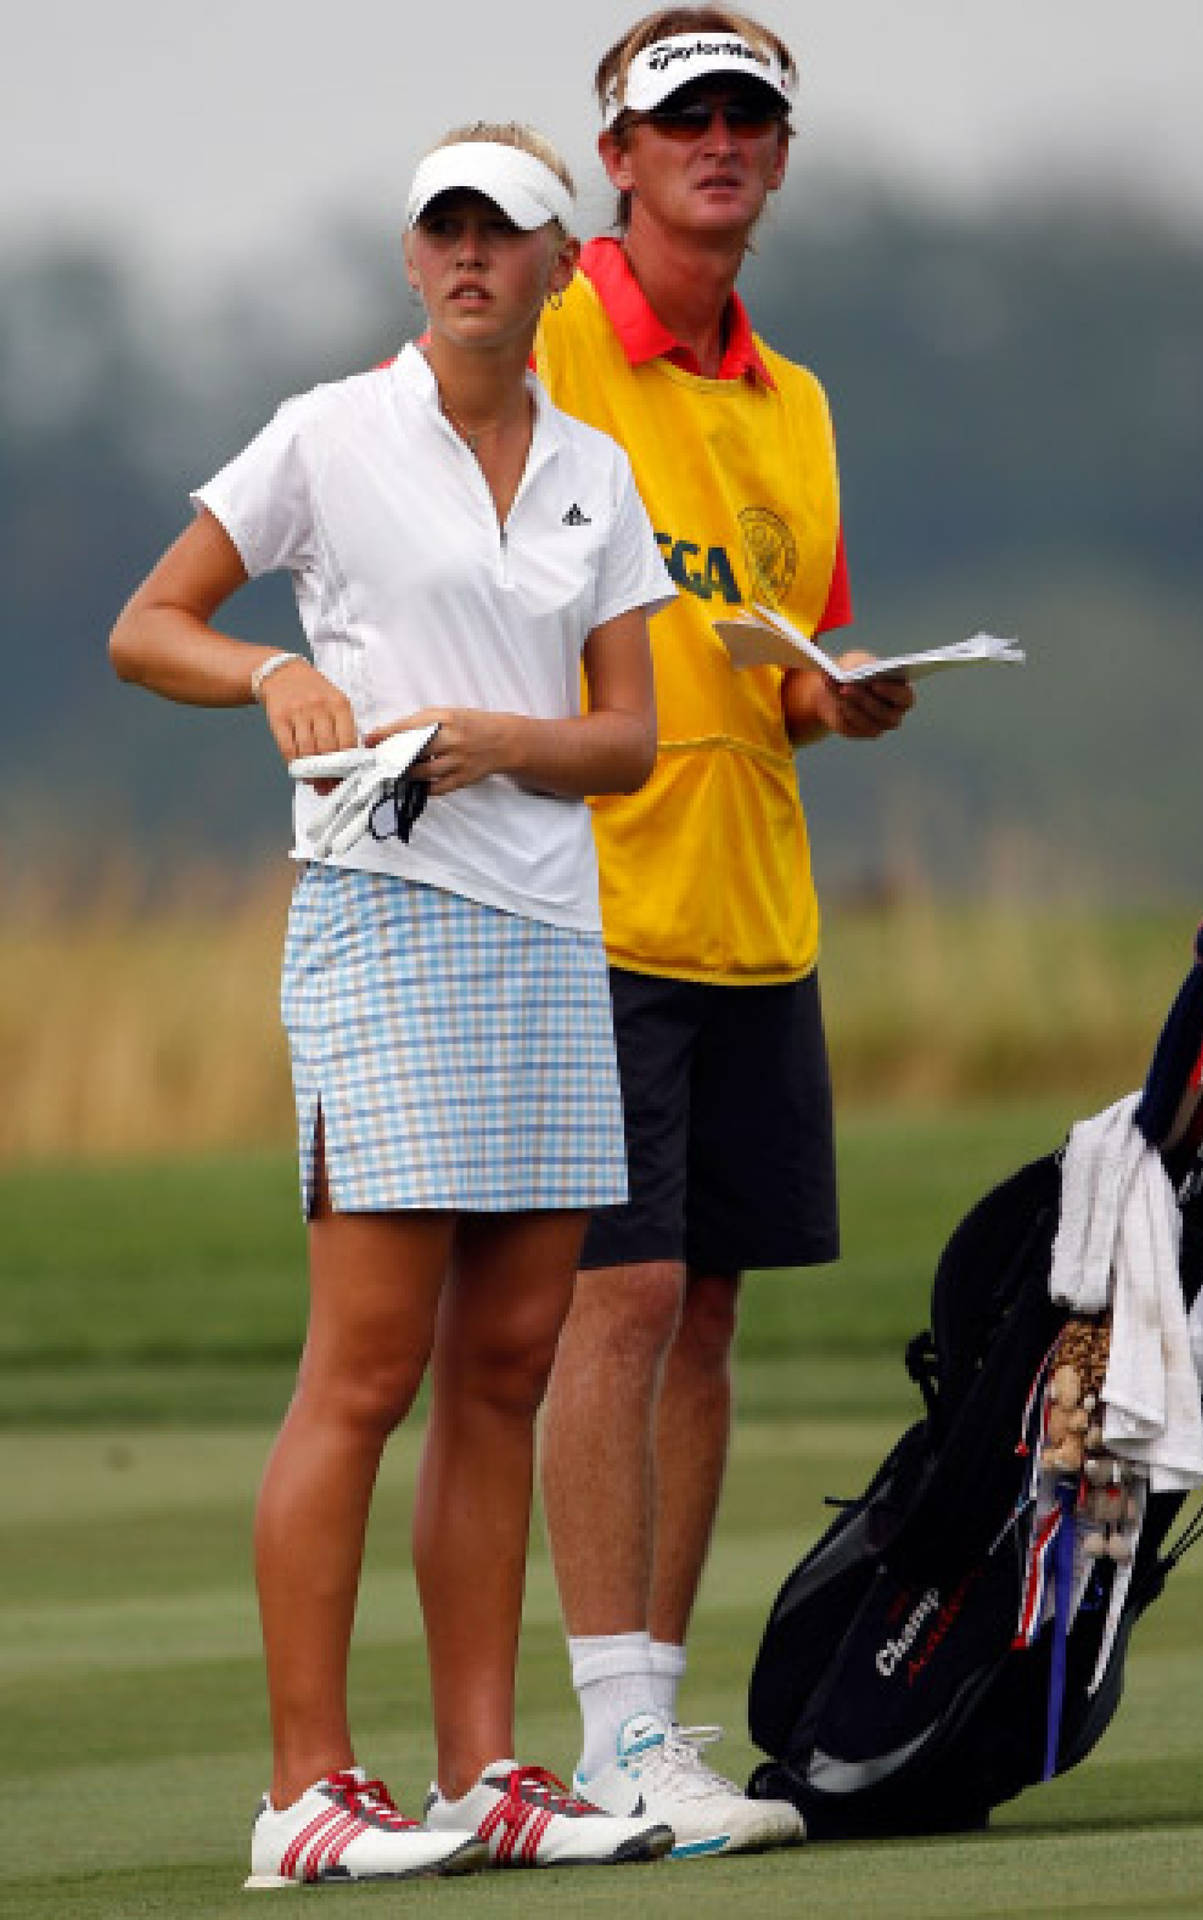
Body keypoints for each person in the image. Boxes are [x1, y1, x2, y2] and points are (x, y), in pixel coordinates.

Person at [109, 126, 679, 1884]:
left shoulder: (592, 468)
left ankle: (487, 1772)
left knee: (504, 1368)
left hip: (543, 938)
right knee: (363, 1372)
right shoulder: (325, 434)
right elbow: (153, 624)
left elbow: (631, 740)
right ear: (409, 260)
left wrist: (505, 741)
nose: (468, 260)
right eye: (441, 232)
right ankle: (304, 1796)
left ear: (559, 265)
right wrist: (276, 664)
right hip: (384, 915)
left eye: (502, 234)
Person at [412, 9, 917, 1862]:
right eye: (677, 117)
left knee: (701, 1316)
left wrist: (831, 700)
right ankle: (611, 1730)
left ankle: (651, 1718)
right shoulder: (538, 334)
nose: (716, 140)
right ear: (611, 158)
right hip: (578, 905)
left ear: (777, 162)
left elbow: (767, 653)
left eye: (745, 119)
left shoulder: (795, 402)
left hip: (754, 916)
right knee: (609, 1304)